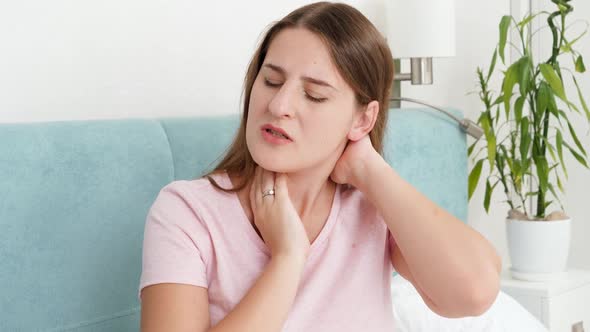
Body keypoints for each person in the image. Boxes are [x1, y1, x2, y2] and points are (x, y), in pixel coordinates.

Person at [138, 2, 502, 331]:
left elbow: (474, 293)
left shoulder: (372, 208)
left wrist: (369, 169)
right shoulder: (186, 212)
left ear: (363, 120)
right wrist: (287, 257)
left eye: (314, 94)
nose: (279, 104)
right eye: (271, 81)